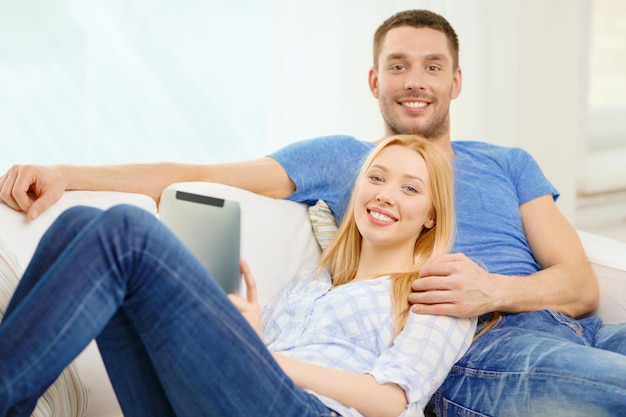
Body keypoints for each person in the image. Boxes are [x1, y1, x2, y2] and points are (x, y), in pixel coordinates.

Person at [1, 8, 625, 417]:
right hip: (491, 347)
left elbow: (579, 282)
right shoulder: (338, 175)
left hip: (553, 323)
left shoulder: (506, 162)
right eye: (397, 66)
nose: (415, 80)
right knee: (94, 225)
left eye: (432, 66)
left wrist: (488, 286)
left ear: (456, 81)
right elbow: (203, 174)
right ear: (372, 81)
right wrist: (66, 174)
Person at [0, 135, 475, 417]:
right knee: (77, 226)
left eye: (410, 188)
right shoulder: (309, 285)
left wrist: (264, 359)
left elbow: (393, 400)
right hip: (235, 400)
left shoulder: (438, 292)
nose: (386, 194)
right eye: (376, 177)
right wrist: (246, 335)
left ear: (431, 216)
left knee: (128, 230)